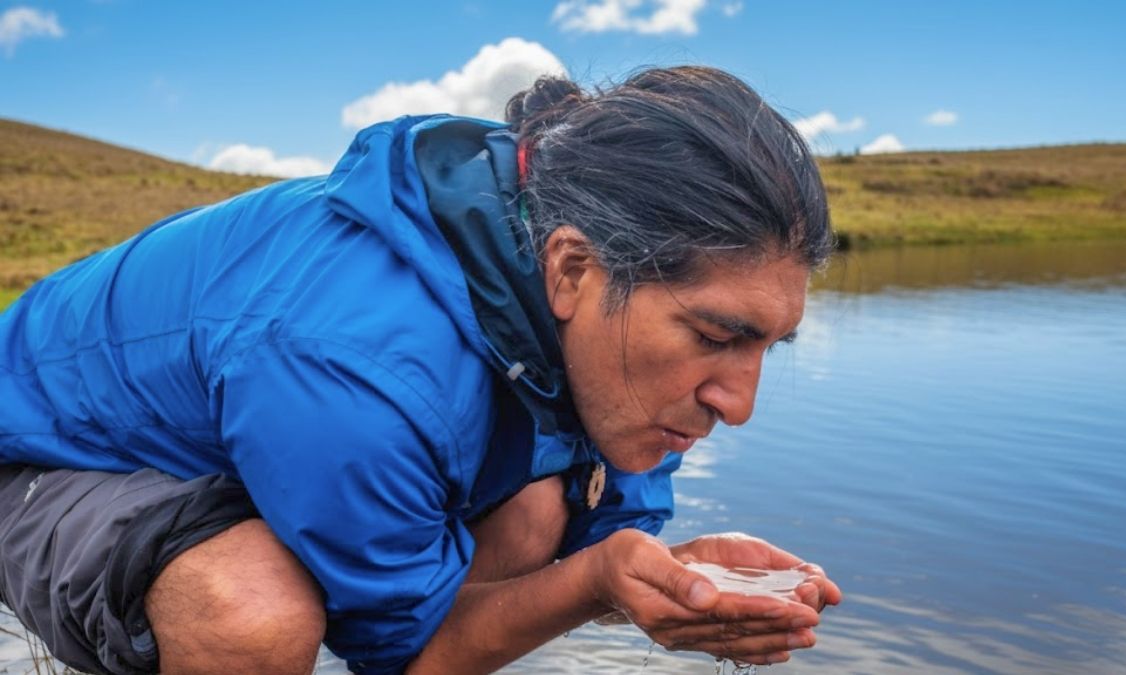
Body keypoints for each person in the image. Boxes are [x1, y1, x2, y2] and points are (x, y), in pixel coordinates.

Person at [0, 65, 841, 674]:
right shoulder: (361, 365)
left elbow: (592, 525)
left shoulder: (564, 297)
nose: (738, 403)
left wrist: (654, 567)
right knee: (251, 610)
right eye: (715, 334)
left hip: (267, 428)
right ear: (573, 270)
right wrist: (595, 586)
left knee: (533, 515)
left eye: (768, 345)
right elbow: (408, 656)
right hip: (42, 453)